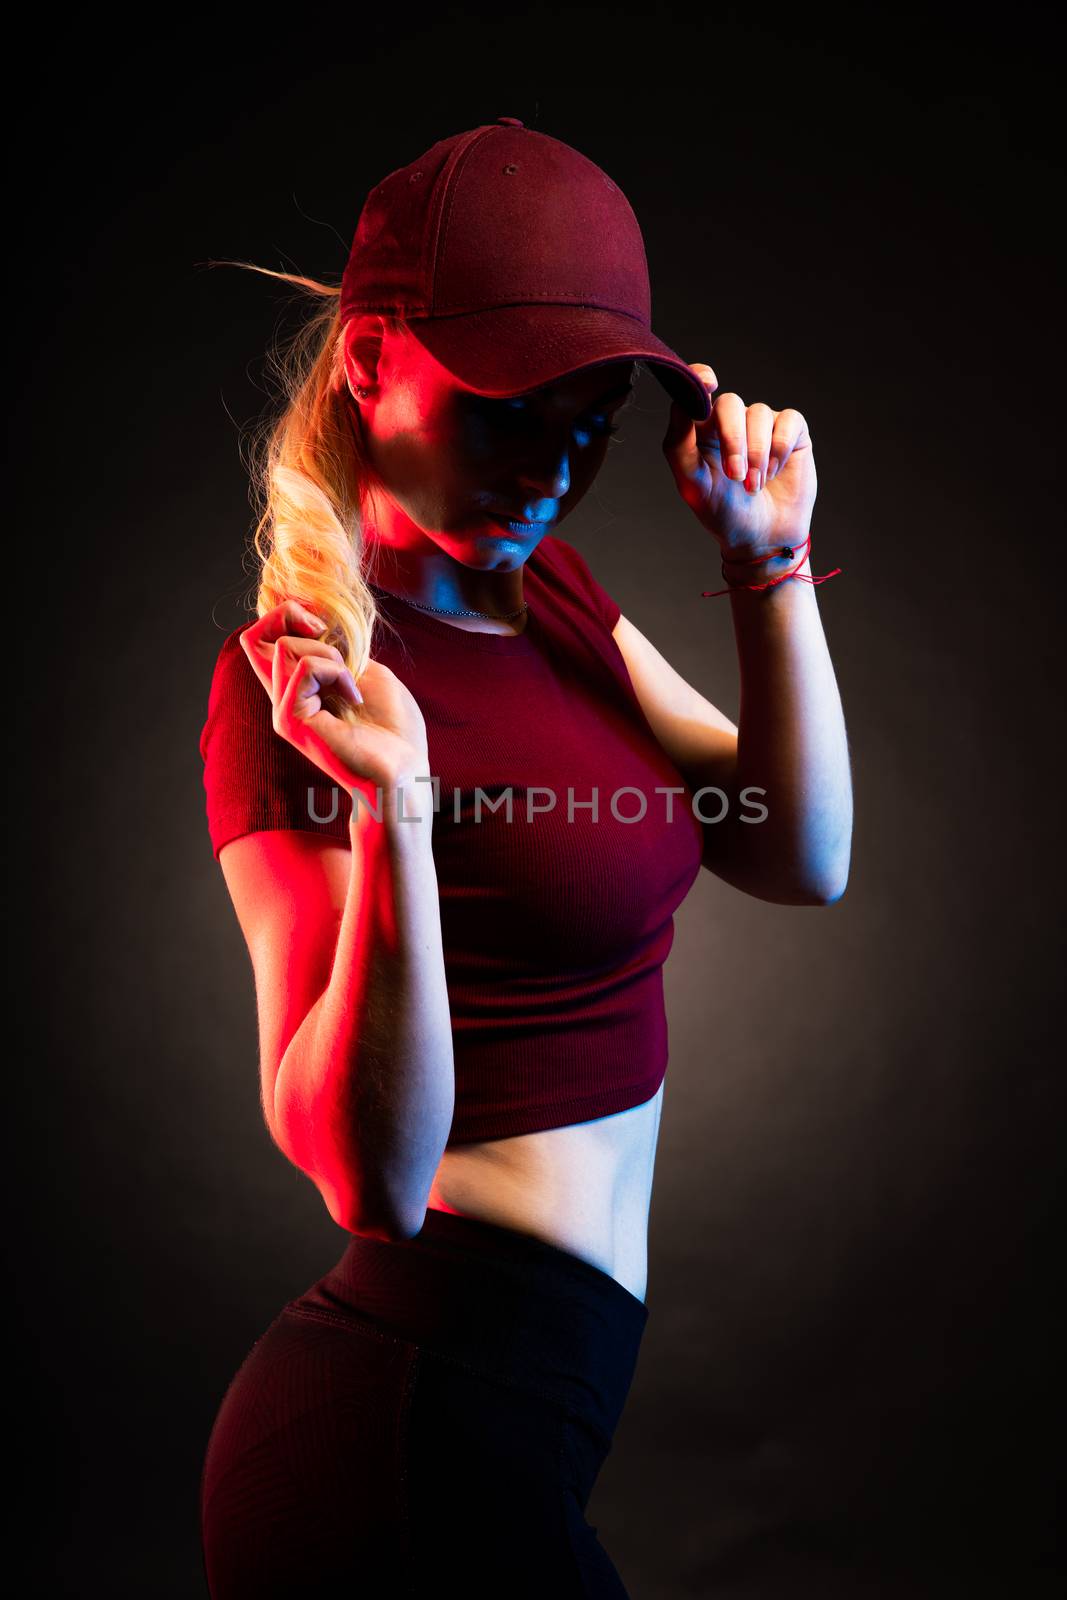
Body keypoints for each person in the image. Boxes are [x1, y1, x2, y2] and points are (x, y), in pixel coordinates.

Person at [197, 118, 852, 1598]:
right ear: (369, 364)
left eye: (592, 418)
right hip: (408, 1430)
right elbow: (367, 1178)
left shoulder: (542, 584)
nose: (558, 467)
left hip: (529, 1413)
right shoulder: (293, 686)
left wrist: (770, 566)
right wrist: (394, 807)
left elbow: (798, 853)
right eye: (507, 411)